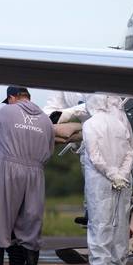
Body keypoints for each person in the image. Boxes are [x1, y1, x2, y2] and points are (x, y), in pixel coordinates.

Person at [0, 86, 54, 265]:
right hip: (36, 172)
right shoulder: (46, 119)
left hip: (10, 167)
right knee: (31, 218)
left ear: (11, 98)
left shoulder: (6, 110)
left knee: (0, 215)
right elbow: (49, 151)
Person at [77, 94, 133, 265]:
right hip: (123, 182)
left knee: (99, 224)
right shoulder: (121, 123)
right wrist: (122, 174)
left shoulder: (90, 124)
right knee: (120, 224)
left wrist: (112, 174)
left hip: (100, 182)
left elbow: (94, 156)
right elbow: (130, 153)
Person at [42, 91, 91, 226]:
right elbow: (53, 106)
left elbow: (100, 103)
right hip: (88, 141)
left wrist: (69, 113)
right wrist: (39, 124)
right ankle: (89, 211)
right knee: (89, 175)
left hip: (110, 135)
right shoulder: (63, 86)